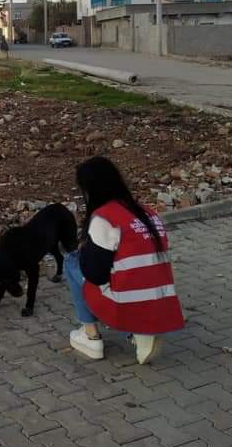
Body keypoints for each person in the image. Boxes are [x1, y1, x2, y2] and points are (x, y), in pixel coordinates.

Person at [63, 156, 184, 364]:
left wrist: (86, 250)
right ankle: (140, 332)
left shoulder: (104, 218)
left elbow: (95, 274)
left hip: (126, 302)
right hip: (162, 301)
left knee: (72, 261)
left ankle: (91, 335)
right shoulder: (147, 212)